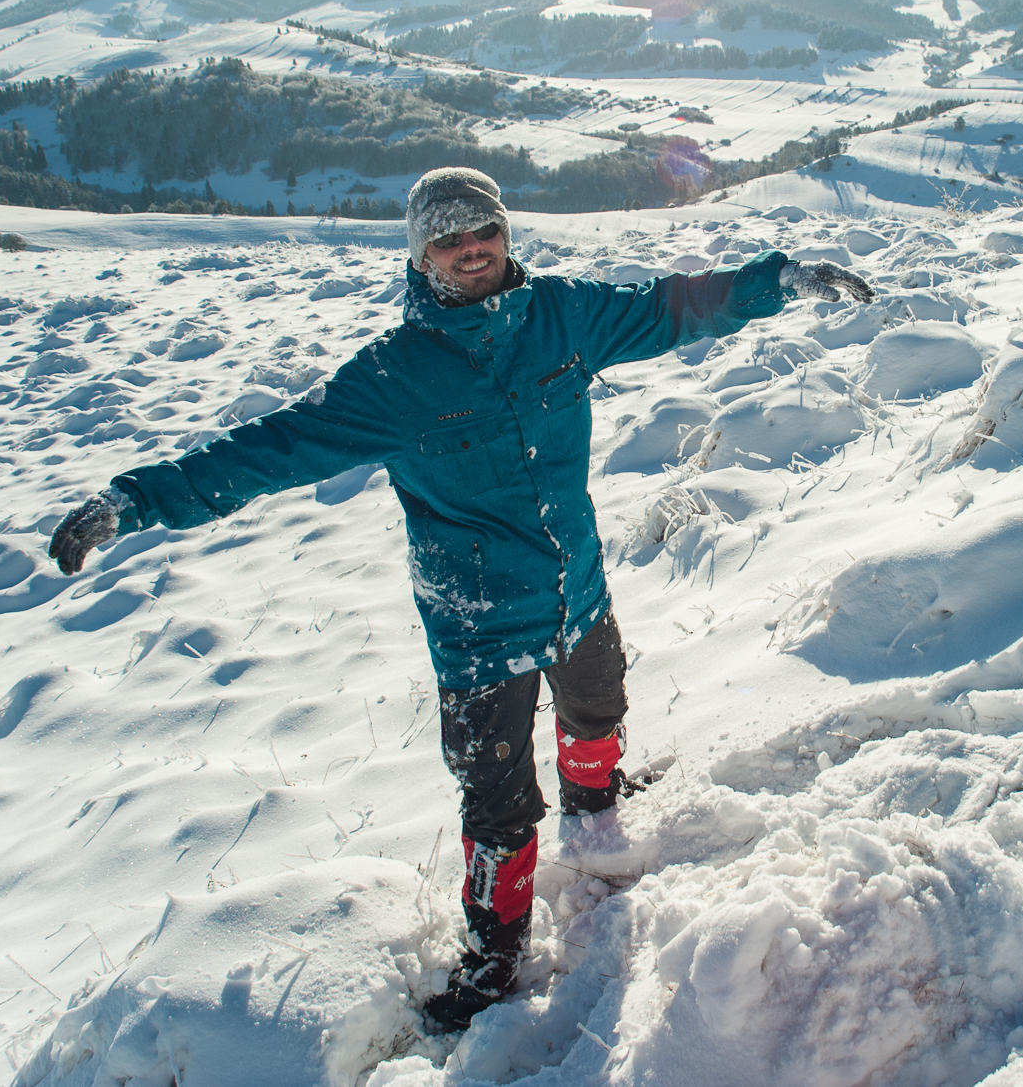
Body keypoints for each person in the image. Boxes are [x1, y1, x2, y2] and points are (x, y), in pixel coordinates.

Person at [46, 166, 873, 1028]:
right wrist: (135, 499)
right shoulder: (394, 379)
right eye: (448, 240)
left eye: (485, 233)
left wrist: (775, 283)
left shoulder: (560, 315)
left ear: (506, 235)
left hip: (575, 587)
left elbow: (671, 306)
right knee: (499, 803)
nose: (471, 251)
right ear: (420, 256)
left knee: (597, 713)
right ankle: (495, 951)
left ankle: (596, 809)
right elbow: (269, 447)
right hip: (477, 627)